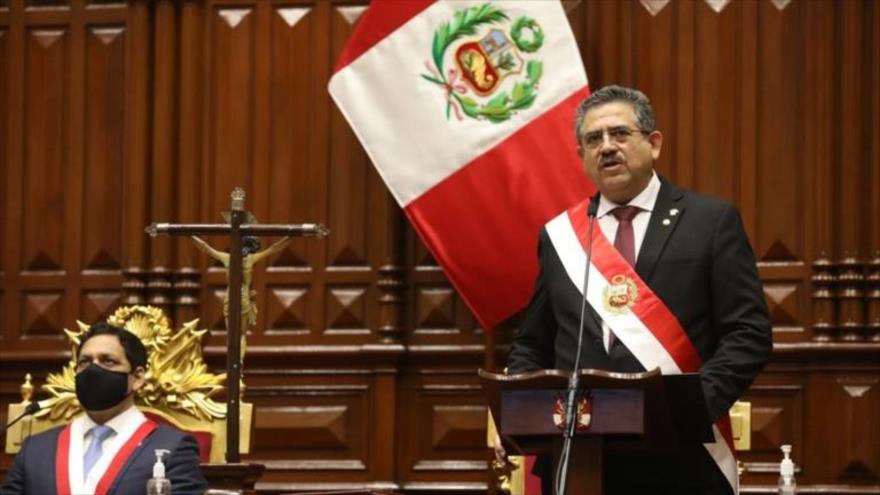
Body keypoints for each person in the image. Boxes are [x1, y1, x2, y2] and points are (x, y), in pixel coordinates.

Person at [506, 85, 773, 494]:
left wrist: (691, 407)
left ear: (654, 144)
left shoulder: (710, 222)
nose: (607, 147)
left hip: (682, 458)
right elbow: (534, 341)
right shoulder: (561, 236)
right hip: (580, 460)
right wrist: (524, 407)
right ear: (581, 157)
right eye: (593, 139)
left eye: (620, 134)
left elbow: (748, 334)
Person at [2, 322, 208, 495]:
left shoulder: (173, 448)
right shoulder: (35, 450)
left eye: (108, 361)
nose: (93, 370)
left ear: (137, 378)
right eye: (85, 362)